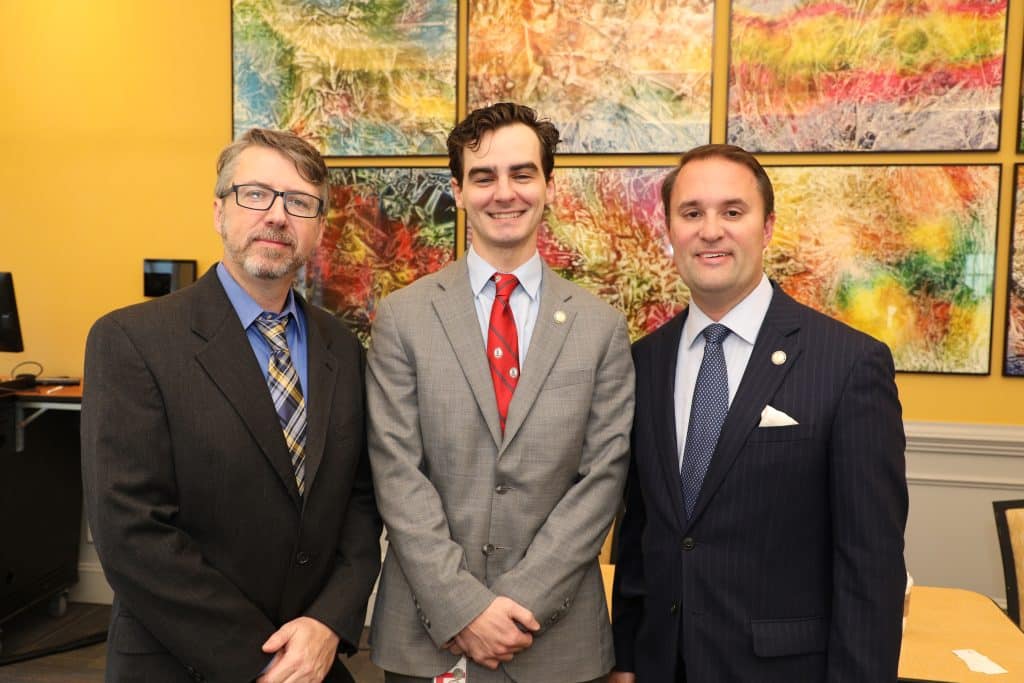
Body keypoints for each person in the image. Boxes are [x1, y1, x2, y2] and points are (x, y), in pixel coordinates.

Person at [81, 128, 382, 683]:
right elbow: (130, 530)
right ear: (219, 211)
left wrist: (326, 625)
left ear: (318, 229)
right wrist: (261, 659)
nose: (276, 215)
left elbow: (360, 506)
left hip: (313, 659)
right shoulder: (132, 340)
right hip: (183, 662)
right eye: (255, 194)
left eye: (300, 203)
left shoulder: (343, 348)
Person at [611, 144, 908, 682]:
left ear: (767, 227)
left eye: (733, 212)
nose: (711, 230)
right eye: (692, 213)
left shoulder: (849, 365)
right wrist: (626, 658)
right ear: (669, 228)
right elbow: (642, 533)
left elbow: (871, 567)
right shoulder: (645, 361)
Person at [366, 102, 635, 682]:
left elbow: (603, 481)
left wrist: (516, 605)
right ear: (458, 191)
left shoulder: (601, 326)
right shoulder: (402, 317)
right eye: (483, 176)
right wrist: (463, 608)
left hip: (557, 640)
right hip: (428, 635)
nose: (503, 192)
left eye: (522, 173)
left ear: (549, 186)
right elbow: (397, 474)